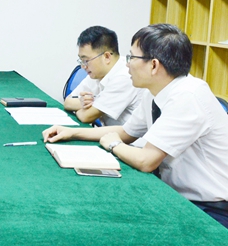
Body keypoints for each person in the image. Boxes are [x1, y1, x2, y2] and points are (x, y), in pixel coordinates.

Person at [43, 24, 228, 227]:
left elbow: (146, 161)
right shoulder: (154, 90)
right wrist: (71, 133)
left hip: (212, 210)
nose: (127, 64)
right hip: (179, 195)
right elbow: (126, 132)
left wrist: (114, 144)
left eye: (131, 57)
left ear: (154, 65)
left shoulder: (187, 96)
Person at [64, 26, 142, 126]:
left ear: (107, 57)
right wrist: (82, 103)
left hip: (127, 136)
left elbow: (86, 116)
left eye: (86, 60)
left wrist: (85, 107)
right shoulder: (97, 73)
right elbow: (68, 101)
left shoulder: (125, 77)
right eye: (81, 60)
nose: (83, 66)